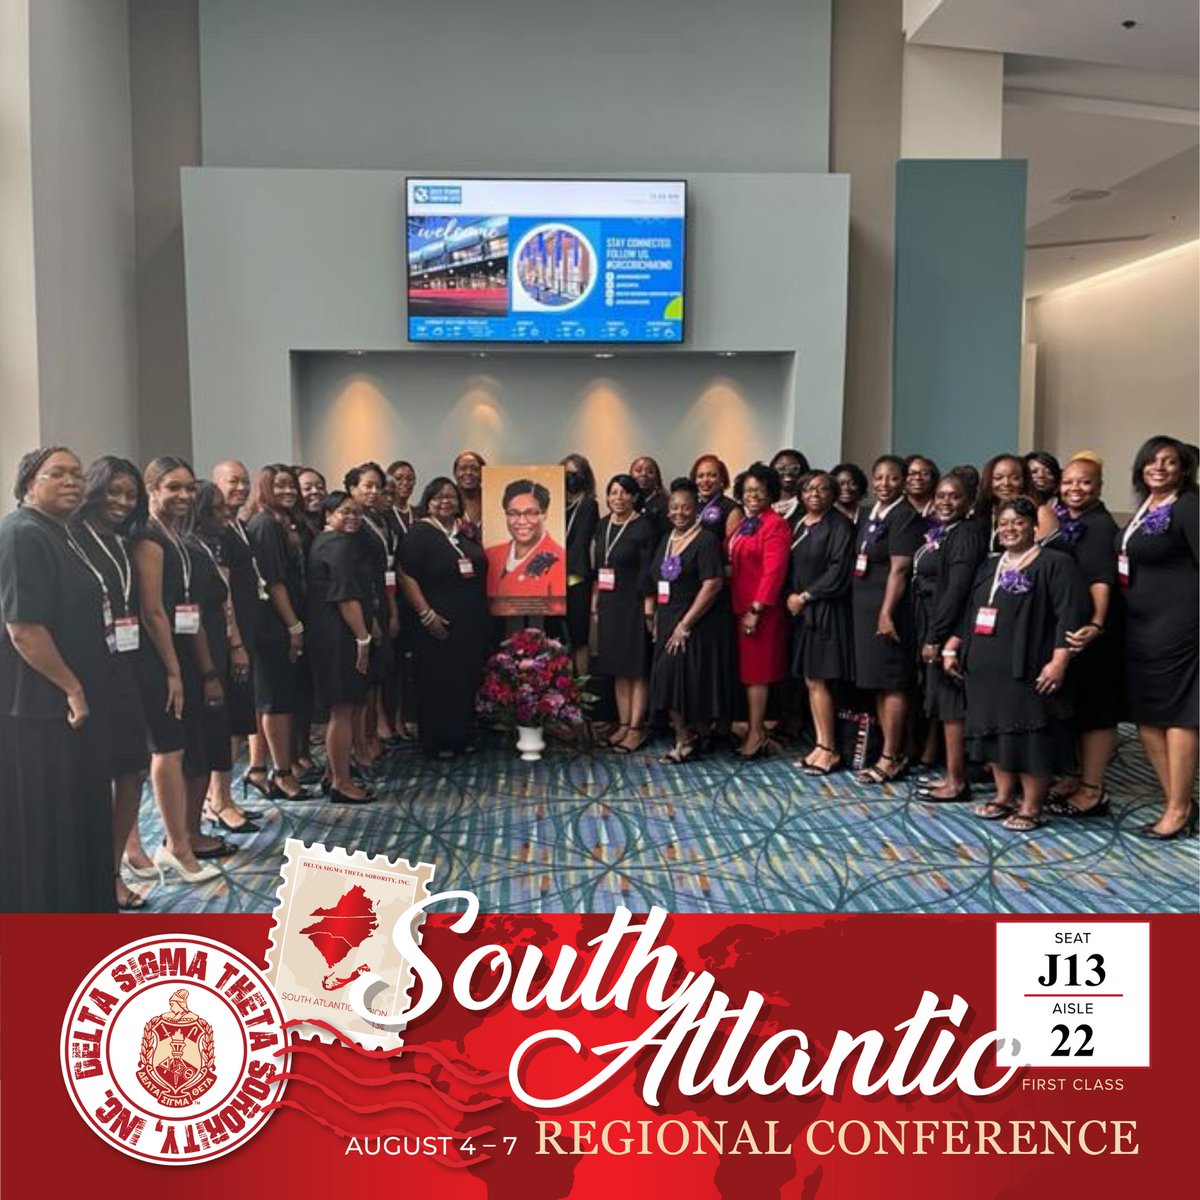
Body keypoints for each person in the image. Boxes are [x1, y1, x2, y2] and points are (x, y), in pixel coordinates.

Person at [0, 447, 115, 912]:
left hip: (68, 702)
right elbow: (24, 629)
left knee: (77, 816)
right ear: (30, 484)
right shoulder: (23, 534)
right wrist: (73, 688)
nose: (72, 481)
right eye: (57, 474)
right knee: (49, 823)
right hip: (43, 707)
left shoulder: (60, 532)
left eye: (77, 473)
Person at [944, 497, 1089, 832]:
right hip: (984, 668)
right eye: (1003, 523)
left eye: (1018, 522)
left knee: (1028, 738)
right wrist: (953, 646)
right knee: (994, 733)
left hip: (1028, 667)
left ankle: (1031, 805)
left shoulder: (1055, 563)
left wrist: (1059, 661)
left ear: (1034, 527)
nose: (1009, 529)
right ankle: (1004, 795)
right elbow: (972, 612)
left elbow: (1070, 614)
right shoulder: (990, 565)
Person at [132, 457, 224, 883]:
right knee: (167, 748)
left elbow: (191, 611)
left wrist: (203, 671)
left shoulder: (178, 536)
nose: (185, 496)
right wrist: (172, 672)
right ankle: (177, 847)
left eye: (189, 488)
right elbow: (153, 611)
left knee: (184, 746)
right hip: (156, 657)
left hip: (181, 654)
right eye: (173, 488)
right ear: (152, 489)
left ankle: (178, 840)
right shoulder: (149, 536)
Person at [72, 456, 156, 907]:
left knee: (131, 769)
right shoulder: (69, 538)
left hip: (124, 667)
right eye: (115, 492)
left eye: (130, 494)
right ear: (95, 488)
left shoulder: (126, 542)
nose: (123, 502)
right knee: (88, 778)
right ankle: (88, 875)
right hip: (82, 672)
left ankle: (113, 871)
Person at [1035, 453, 1125, 820]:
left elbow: (1101, 580)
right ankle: (1076, 778)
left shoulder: (1099, 526)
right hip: (1072, 625)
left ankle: (1093, 790)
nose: (1076, 488)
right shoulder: (1067, 519)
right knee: (1078, 707)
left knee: (1096, 713)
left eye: (1085, 482)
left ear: (1099, 486)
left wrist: (1098, 624)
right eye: (1069, 482)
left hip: (1093, 631)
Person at [1118, 435, 1198, 839]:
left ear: (1184, 469)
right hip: (1140, 627)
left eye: (1169, 462)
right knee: (1147, 714)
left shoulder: (1189, 508)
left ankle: (1178, 809)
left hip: (1180, 625)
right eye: (1152, 460)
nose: (1159, 467)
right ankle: (1177, 800)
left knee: (1180, 714)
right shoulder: (1146, 507)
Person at [398, 477, 490, 758]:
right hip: (435, 622)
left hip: (469, 622)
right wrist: (427, 615)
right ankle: (437, 741)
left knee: (464, 678)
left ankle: (461, 734)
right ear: (428, 502)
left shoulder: (464, 533)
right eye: (438, 497)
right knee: (437, 680)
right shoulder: (419, 533)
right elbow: (406, 576)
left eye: (451, 496)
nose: (445, 501)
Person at [910, 474, 987, 802]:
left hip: (948, 628)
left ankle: (957, 782)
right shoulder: (946, 531)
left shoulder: (966, 535)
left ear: (969, 502)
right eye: (940, 495)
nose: (945, 501)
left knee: (951, 706)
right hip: (930, 619)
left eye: (954, 497)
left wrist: (937, 636)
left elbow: (957, 590)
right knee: (942, 705)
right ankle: (951, 775)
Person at [851, 455, 924, 783]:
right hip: (864, 607)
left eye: (892, 478)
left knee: (893, 681)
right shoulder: (869, 514)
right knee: (878, 683)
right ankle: (890, 750)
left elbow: (900, 568)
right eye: (879, 478)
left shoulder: (905, 515)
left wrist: (886, 612)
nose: (884, 484)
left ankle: (891, 756)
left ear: (903, 481)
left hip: (889, 611)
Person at [648, 479, 728, 763]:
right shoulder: (666, 539)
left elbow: (713, 584)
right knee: (668, 680)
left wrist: (685, 624)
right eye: (674, 507)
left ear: (697, 511)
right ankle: (689, 736)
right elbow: (659, 581)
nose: (679, 512)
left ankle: (688, 738)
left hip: (695, 622)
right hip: (668, 617)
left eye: (686, 508)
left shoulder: (705, 540)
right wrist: (657, 616)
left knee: (682, 681)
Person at [244, 463, 310, 799]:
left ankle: (259, 768)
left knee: (273, 697)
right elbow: (274, 581)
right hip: (273, 623)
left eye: (292, 486)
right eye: (280, 485)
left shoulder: (282, 521)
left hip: (282, 620)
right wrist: (294, 626)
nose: (289, 491)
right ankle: (281, 774)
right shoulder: (265, 524)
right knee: (275, 701)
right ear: (265, 487)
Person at [785, 471, 855, 775]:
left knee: (821, 680)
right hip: (803, 612)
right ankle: (820, 743)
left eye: (823, 489)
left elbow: (840, 571)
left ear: (833, 493)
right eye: (809, 489)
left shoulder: (839, 525)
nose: (815, 493)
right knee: (811, 680)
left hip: (825, 610)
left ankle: (830, 750)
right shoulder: (799, 523)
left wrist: (806, 595)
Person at [307, 492, 375, 801]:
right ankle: (341, 784)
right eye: (345, 511)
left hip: (327, 632)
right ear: (328, 514)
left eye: (358, 513)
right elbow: (346, 597)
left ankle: (333, 774)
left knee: (341, 707)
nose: (353, 517)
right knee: (343, 709)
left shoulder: (326, 541)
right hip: (338, 635)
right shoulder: (338, 544)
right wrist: (363, 638)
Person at [211, 459, 268, 819]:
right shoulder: (217, 531)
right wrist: (235, 644)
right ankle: (218, 800)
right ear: (215, 484)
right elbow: (223, 591)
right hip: (230, 641)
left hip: (245, 633)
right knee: (228, 724)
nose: (241, 488)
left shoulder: (237, 524)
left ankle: (224, 798)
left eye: (245, 481)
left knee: (238, 720)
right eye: (233, 482)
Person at [728, 464, 791, 759]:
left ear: (771, 493)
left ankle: (756, 733)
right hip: (738, 607)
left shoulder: (774, 524)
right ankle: (752, 727)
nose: (753, 495)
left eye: (760, 490)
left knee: (757, 675)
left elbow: (773, 572)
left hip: (760, 612)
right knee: (746, 673)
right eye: (748, 490)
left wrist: (757, 608)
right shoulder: (746, 523)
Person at [592, 473, 657, 752]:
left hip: (635, 603)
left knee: (637, 668)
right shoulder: (602, 525)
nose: (618, 498)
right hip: (609, 603)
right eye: (613, 492)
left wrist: (648, 608)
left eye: (624, 493)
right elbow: (599, 567)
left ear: (634, 497)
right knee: (619, 667)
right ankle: (622, 724)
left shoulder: (643, 527)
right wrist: (595, 601)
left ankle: (636, 728)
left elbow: (648, 571)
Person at [345, 462, 400, 757]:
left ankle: (370, 736)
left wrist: (390, 609)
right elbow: (357, 575)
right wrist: (373, 620)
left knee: (379, 674)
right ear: (352, 488)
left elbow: (387, 569)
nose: (373, 491)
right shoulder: (354, 525)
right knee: (364, 680)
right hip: (364, 608)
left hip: (381, 600)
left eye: (377, 486)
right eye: (367, 485)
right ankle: (361, 743)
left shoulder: (380, 518)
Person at [484, 478, 567, 616]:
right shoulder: (490, 554)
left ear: (545, 514)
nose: (522, 521)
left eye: (531, 513)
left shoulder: (559, 559)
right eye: (513, 513)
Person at [558, 453, 599, 675]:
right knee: (556, 638)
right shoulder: (553, 506)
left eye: (575, 474)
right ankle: (560, 692)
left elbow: (582, 542)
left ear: (584, 476)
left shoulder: (589, 505)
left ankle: (582, 692)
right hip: (551, 578)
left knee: (579, 637)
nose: (570, 479)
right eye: (565, 475)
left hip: (577, 578)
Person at [978, 454, 1034, 552]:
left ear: (1024, 480)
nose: (1006, 483)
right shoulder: (982, 512)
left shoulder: (1040, 512)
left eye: (1015, 478)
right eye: (998, 478)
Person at [690, 454, 743, 542]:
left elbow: (733, 548)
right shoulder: (691, 505)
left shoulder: (732, 509)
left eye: (712, 475)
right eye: (700, 476)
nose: (705, 480)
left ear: (722, 479)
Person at [1025, 451, 1062, 542]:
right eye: (1034, 472)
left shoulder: (1066, 507)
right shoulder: (1014, 505)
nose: (1041, 476)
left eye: (1048, 472)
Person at [630, 456, 670, 542]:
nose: (643, 474)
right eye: (638, 470)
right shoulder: (627, 502)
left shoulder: (665, 504)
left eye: (650, 472)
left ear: (657, 478)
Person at [770, 449, 811, 533]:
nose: (788, 472)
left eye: (794, 468)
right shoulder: (763, 502)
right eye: (781, 468)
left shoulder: (809, 504)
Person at [452, 450, 486, 540]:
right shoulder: (447, 502)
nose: (468, 473)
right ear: (455, 473)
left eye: (475, 469)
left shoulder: (492, 499)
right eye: (463, 468)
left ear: (483, 473)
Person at [903, 454, 939, 523]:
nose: (918, 477)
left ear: (933, 479)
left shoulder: (941, 508)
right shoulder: (895, 510)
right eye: (912, 473)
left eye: (924, 474)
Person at [387, 460, 419, 534]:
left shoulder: (420, 514)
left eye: (409, 479)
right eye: (398, 478)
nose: (405, 483)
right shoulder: (384, 514)